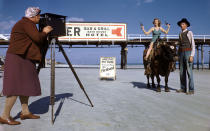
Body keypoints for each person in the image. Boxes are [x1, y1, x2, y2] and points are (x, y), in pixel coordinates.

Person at [0, 7, 53, 125]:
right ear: (32, 16)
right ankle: (4, 116)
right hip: (18, 57)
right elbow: (37, 38)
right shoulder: (26, 23)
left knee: (26, 85)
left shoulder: (26, 23)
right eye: (38, 16)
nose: (40, 18)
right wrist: (45, 32)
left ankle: (25, 112)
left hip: (24, 57)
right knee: (15, 86)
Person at [176, 18, 195, 95]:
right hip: (181, 53)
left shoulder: (189, 32)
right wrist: (178, 55)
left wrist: (192, 55)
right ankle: (183, 88)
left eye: (183, 24)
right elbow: (180, 46)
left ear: (186, 25)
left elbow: (193, 44)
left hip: (188, 52)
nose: (181, 25)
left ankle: (191, 89)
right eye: (181, 24)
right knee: (181, 72)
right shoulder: (180, 34)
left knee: (189, 72)